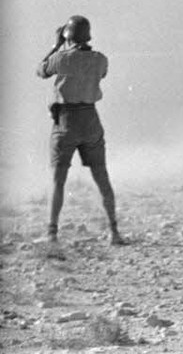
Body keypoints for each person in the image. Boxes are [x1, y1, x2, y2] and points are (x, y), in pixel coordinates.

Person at [36, 16, 126, 245]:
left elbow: (41, 70)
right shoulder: (100, 59)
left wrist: (56, 45)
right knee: (101, 176)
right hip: (91, 119)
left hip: (65, 121)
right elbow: (101, 73)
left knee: (58, 179)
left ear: (68, 35)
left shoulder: (61, 58)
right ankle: (114, 231)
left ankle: (52, 233)